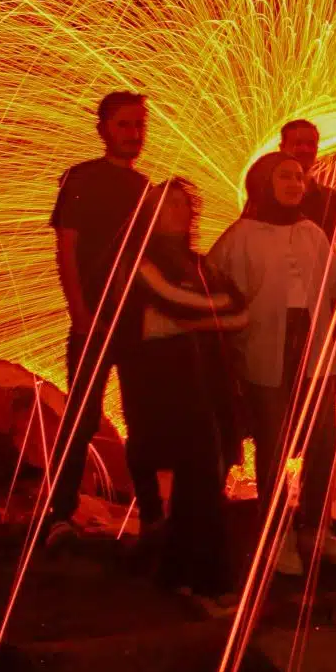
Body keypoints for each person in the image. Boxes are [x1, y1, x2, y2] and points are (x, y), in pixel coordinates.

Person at [210, 150, 336, 576]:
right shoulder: (239, 236)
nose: (296, 183)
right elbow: (216, 286)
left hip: (314, 353)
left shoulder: (312, 232)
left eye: (299, 177)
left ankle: (315, 529)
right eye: (286, 176)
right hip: (264, 351)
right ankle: (277, 536)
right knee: (274, 448)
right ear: (263, 183)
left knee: (322, 443)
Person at [124, 180, 249, 614]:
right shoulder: (141, 262)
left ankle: (177, 576)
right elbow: (177, 301)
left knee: (204, 480)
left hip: (205, 380)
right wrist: (206, 313)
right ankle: (210, 585)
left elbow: (240, 306)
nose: (178, 209)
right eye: (166, 203)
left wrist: (197, 318)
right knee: (200, 479)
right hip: (167, 385)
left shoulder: (199, 265)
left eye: (182, 202)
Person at [46, 91, 160, 533]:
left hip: (134, 321)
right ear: (104, 129)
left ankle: (151, 515)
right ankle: (59, 511)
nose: (134, 134)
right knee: (82, 414)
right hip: (93, 318)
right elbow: (67, 249)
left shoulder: (145, 189)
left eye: (139, 126)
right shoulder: (81, 180)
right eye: (125, 125)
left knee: (142, 414)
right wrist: (80, 312)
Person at [279, 118, 336, 251]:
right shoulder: (265, 196)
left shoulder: (332, 199)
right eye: (297, 144)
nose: (305, 149)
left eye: (311, 144)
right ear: (282, 148)